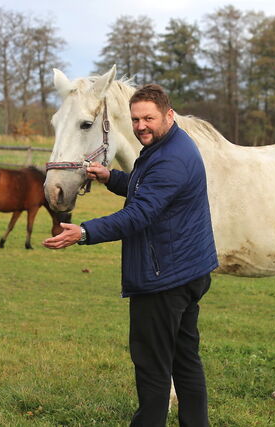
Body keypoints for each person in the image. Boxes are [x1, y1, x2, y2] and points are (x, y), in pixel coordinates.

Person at [43, 84, 218, 426]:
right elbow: (144, 186)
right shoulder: (169, 147)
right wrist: (111, 177)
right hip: (185, 271)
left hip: (164, 279)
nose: (140, 126)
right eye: (136, 119)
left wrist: (84, 232)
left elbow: (140, 213)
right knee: (185, 361)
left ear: (169, 115)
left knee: (152, 367)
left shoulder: (172, 158)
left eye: (149, 118)